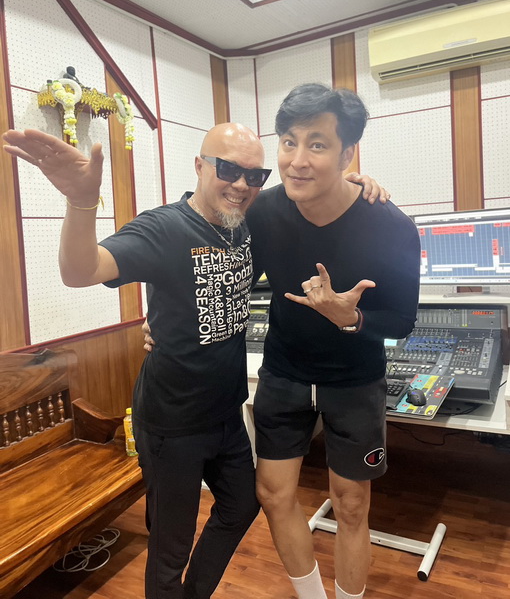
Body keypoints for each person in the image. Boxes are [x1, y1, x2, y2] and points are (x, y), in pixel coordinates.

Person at [2, 121, 387, 599]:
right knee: (171, 549)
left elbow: (310, 191)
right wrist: (81, 202)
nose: (242, 185)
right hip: (171, 421)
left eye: (255, 175)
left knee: (242, 506)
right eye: (228, 170)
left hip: (225, 414)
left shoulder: (247, 225)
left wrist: (354, 181)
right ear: (200, 166)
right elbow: (80, 270)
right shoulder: (163, 228)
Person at [246, 84, 421, 599]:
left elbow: (402, 320)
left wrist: (352, 318)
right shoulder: (263, 213)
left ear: (348, 154)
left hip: (354, 380)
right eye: (288, 142)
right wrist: (165, 320)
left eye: (317, 145)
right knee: (272, 494)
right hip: (284, 371)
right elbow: (225, 274)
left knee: (351, 505)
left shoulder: (390, 225)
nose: (297, 160)